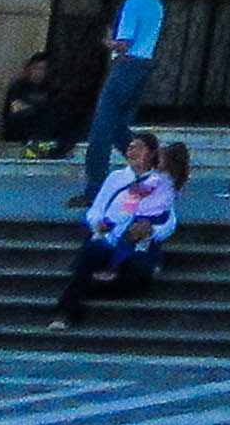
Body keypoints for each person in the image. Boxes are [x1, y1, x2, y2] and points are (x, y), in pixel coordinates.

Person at [51, 134, 186, 328]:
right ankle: (65, 312)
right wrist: (99, 223)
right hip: (109, 237)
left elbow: (169, 219)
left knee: (137, 271)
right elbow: (97, 208)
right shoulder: (117, 178)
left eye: (138, 148)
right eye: (130, 147)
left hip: (136, 245)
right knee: (94, 252)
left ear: (151, 153)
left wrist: (152, 231)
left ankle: (88, 286)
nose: (131, 152)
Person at [80, 0, 163, 198]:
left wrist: (109, 42)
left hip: (126, 65)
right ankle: (151, 164)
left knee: (102, 126)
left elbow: (124, 42)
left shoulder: (134, 0)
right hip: (143, 65)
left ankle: (94, 186)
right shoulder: (156, 2)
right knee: (118, 126)